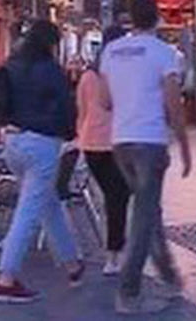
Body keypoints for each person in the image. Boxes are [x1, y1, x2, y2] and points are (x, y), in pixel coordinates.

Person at [101, 0, 192, 315]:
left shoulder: (111, 51)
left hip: (121, 142)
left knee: (148, 211)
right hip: (149, 140)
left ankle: (169, 277)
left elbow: (105, 99)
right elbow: (174, 104)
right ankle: (129, 291)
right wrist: (184, 145)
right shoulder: (163, 53)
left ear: (129, 18)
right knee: (142, 217)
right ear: (155, 18)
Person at [0, 20, 84, 305]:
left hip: (13, 142)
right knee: (29, 211)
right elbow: (67, 107)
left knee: (46, 204)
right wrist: (70, 133)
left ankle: (72, 263)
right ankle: (6, 278)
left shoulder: (12, 64)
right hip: (41, 143)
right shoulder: (50, 70)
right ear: (50, 44)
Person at [77, 24, 130, 276]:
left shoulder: (88, 76)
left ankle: (116, 245)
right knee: (118, 197)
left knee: (113, 196)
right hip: (117, 142)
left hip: (91, 144)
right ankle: (113, 254)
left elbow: (82, 111)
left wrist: (79, 140)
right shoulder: (123, 74)